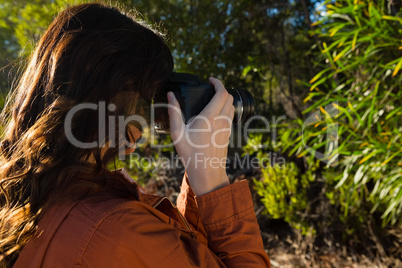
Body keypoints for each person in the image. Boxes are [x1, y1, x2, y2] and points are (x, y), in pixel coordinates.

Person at [0, 3, 270, 267]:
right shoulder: (118, 233)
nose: (145, 126)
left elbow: (191, 254)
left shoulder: (28, 195)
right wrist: (213, 182)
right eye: (146, 101)